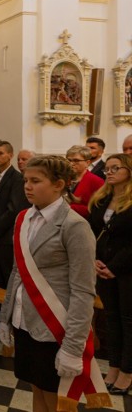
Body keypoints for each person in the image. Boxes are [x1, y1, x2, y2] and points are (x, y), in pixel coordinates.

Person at [0, 155, 104, 412]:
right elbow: (17, 271)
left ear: (59, 184)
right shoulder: (22, 218)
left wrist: (73, 346)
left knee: (57, 399)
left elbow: (83, 291)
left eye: (36, 181)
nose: (27, 186)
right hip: (26, 320)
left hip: (55, 325)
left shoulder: (74, 225)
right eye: (26, 180)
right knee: (36, 388)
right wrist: (5, 316)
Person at [88, 153, 132, 395]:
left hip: (126, 270)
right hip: (102, 267)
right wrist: (95, 260)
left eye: (116, 168)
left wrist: (114, 267)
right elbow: (94, 231)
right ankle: (113, 367)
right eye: (108, 169)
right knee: (112, 320)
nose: (110, 172)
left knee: (128, 321)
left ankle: (127, 372)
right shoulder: (102, 198)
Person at [0, 140, 30, 289]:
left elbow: (14, 208)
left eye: (0, 153)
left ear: (10, 155)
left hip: (4, 235)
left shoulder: (16, 178)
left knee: (6, 275)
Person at [65, 145, 104, 218]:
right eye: (69, 160)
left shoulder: (96, 181)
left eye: (76, 160)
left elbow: (97, 210)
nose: (71, 164)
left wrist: (68, 207)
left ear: (88, 163)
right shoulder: (64, 178)